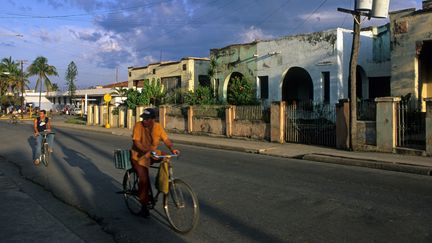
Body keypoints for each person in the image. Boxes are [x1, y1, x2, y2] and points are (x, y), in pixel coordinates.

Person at [131, 108, 179, 217]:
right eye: (144, 118)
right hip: (138, 156)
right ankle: (144, 205)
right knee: (144, 179)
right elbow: (136, 142)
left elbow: (166, 139)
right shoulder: (138, 126)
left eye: (147, 119)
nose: (144, 121)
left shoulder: (158, 127)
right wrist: (146, 151)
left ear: (153, 119)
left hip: (152, 153)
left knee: (166, 158)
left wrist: (172, 150)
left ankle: (160, 181)